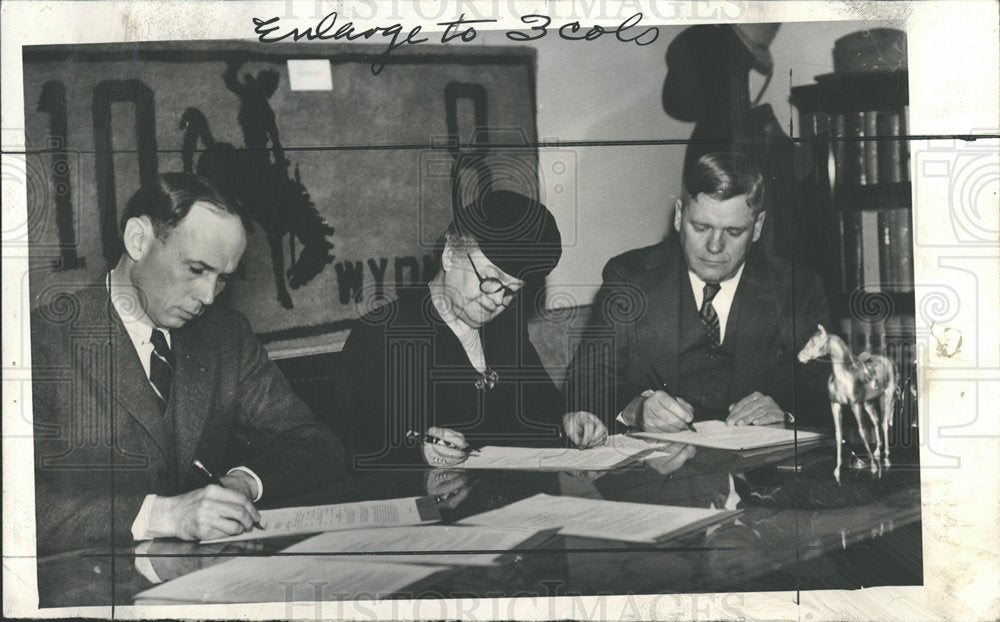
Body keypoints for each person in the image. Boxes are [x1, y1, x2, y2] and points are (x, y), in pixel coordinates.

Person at [31, 173, 346, 553]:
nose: (209, 296)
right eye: (197, 270)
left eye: (223, 279)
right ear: (138, 240)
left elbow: (316, 443)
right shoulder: (39, 342)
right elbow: (17, 508)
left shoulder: (225, 336)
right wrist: (162, 516)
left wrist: (240, 484)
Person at [337, 190, 604, 469]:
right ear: (450, 254)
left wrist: (568, 421)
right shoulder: (381, 333)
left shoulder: (506, 325)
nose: (499, 300)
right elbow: (359, 447)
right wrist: (418, 449)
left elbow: (540, 406)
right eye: (491, 280)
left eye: (512, 291)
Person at [566, 152, 831, 433]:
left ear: (758, 228)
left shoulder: (797, 289)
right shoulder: (629, 278)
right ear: (680, 217)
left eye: (734, 231)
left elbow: (829, 390)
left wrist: (785, 415)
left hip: (757, 471)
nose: (714, 247)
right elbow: (585, 380)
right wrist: (637, 409)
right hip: (659, 470)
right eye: (701, 227)